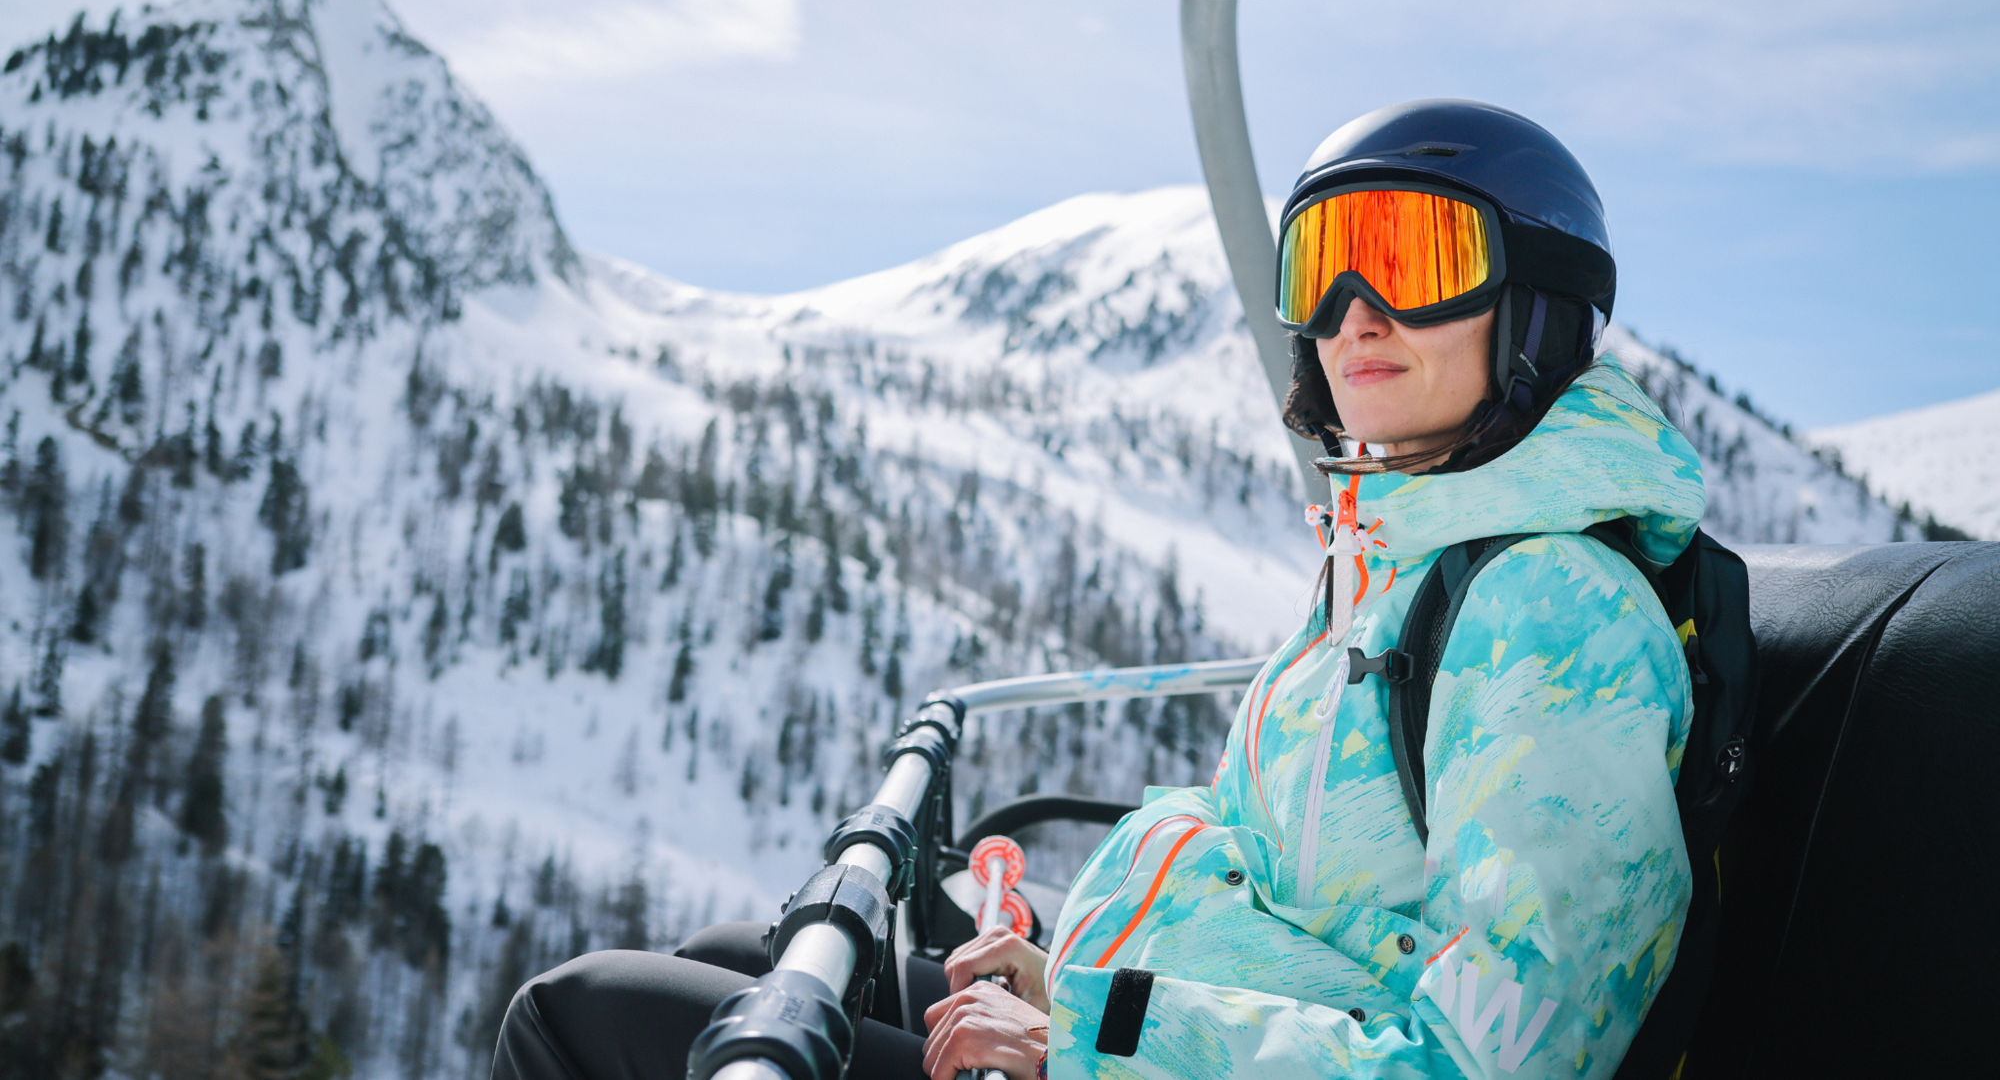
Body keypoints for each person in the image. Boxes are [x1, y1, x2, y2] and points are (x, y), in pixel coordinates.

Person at [492, 98, 1700, 1080]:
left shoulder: (1546, 613)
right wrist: (1075, 966)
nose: (1353, 315)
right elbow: (1268, 886)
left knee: (582, 1017)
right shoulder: (1395, 564)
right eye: (1321, 268)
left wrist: (1090, 1033)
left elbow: (1492, 1066)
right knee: (734, 963)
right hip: (1155, 1040)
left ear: (1536, 298)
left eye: (1418, 259)